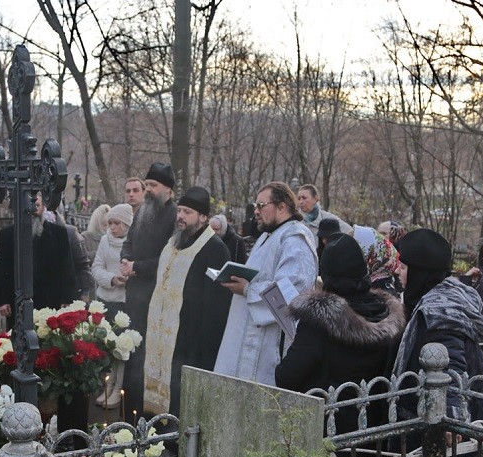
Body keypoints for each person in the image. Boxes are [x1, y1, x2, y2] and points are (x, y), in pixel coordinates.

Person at [276, 233, 405, 432]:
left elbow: (286, 377)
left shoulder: (319, 320)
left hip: (327, 430)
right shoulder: (387, 313)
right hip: (371, 428)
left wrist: (296, 344)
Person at [214, 182, 318, 385]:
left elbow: (292, 292)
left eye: (261, 205)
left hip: (268, 343)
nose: (256, 211)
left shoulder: (295, 238)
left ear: (282, 207)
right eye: (256, 206)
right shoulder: (267, 236)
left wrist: (247, 289)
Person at [390, 228, 483, 422]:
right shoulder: (429, 300)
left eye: (403, 267)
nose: (397, 271)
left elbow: (450, 368)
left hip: (435, 420)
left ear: (420, 273)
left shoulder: (441, 311)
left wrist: (448, 416)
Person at [145, 187, 232, 416]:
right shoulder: (174, 241)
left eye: (187, 212)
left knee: (182, 404)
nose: (180, 216)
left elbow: (216, 308)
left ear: (203, 217)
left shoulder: (215, 249)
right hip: (164, 336)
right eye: (179, 210)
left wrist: (203, 354)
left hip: (190, 343)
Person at [120, 162, 177, 418]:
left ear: (168, 189)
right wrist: (125, 260)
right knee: (133, 354)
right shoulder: (144, 210)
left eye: (153, 185)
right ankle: (129, 413)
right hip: (134, 295)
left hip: (156, 298)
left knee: (147, 358)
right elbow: (129, 241)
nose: (149, 190)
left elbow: (168, 259)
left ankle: (147, 415)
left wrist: (137, 267)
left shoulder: (174, 216)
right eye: (148, 185)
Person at [0, 194, 76, 316]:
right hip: (17, 300)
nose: (33, 209)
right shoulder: (7, 235)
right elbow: (1, 269)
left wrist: (67, 298)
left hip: (51, 301)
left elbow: (67, 267)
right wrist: (2, 300)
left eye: (37, 205)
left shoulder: (58, 233)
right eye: (30, 204)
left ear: (43, 206)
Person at [91, 203, 133, 408]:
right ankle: (107, 385)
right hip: (104, 299)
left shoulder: (133, 242)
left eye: (117, 223)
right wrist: (111, 279)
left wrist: (126, 279)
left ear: (127, 224)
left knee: (121, 348)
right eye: (110, 223)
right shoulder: (105, 240)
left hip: (123, 302)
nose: (113, 227)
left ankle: (117, 389)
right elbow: (96, 266)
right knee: (106, 346)